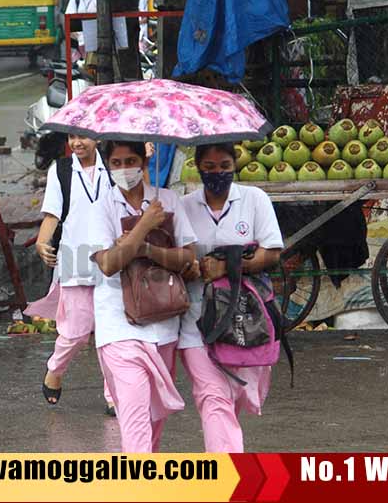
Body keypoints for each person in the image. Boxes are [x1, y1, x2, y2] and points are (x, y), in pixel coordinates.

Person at [88, 140, 197, 453]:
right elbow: (108, 264)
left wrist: (149, 248)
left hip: (164, 325)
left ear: (145, 162)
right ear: (108, 167)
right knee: (134, 421)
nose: (125, 169)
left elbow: (189, 258)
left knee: (154, 423)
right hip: (118, 327)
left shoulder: (169, 200)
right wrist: (145, 226)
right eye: (117, 163)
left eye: (131, 160)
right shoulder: (102, 207)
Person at [178, 143, 283, 452]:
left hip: (245, 320)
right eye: (209, 167)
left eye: (224, 165)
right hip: (197, 322)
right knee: (213, 398)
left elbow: (272, 252)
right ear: (197, 167)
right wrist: (192, 269)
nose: (217, 173)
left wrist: (229, 266)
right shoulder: (183, 206)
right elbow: (178, 259)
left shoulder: (254, 199)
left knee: (231, 400)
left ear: (234, 165)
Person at [32, 134, 115, 415]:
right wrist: (42, 242)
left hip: (112, 261)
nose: (77, 142)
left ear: (99, 137)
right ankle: (55, 369)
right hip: (75, 261)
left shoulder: (115, 166)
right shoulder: (62, 169)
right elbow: (52, 215)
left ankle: (114, 396)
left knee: (111, 334)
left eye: (84, 136)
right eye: (72, 136)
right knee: (75, 332)